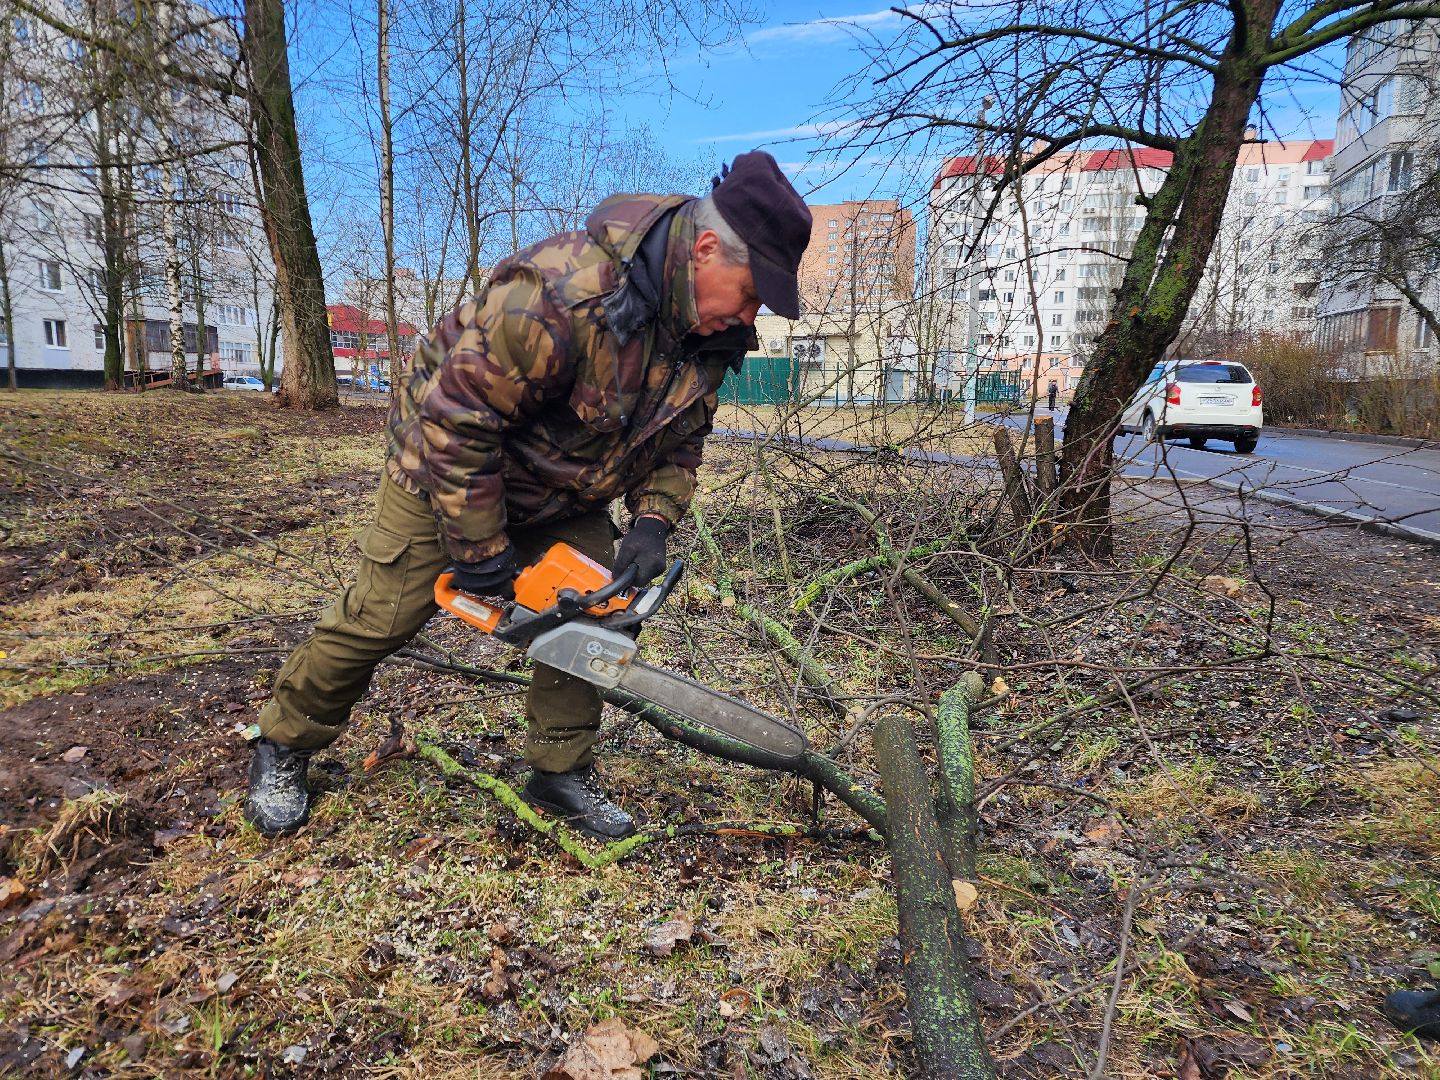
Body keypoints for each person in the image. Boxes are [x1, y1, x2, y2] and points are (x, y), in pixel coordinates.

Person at [242, 151, 812, 841]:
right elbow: (454, 422)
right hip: (447, 468)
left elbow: (680, 439)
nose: (751, 313)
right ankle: (284, 743)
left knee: (599, 613)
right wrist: (482, 551)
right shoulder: (560, 294)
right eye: (751, 291)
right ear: (707, 249)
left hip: (563, 486)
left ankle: (557, 769)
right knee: (381, 615)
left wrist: (653, 524)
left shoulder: (712, 335)